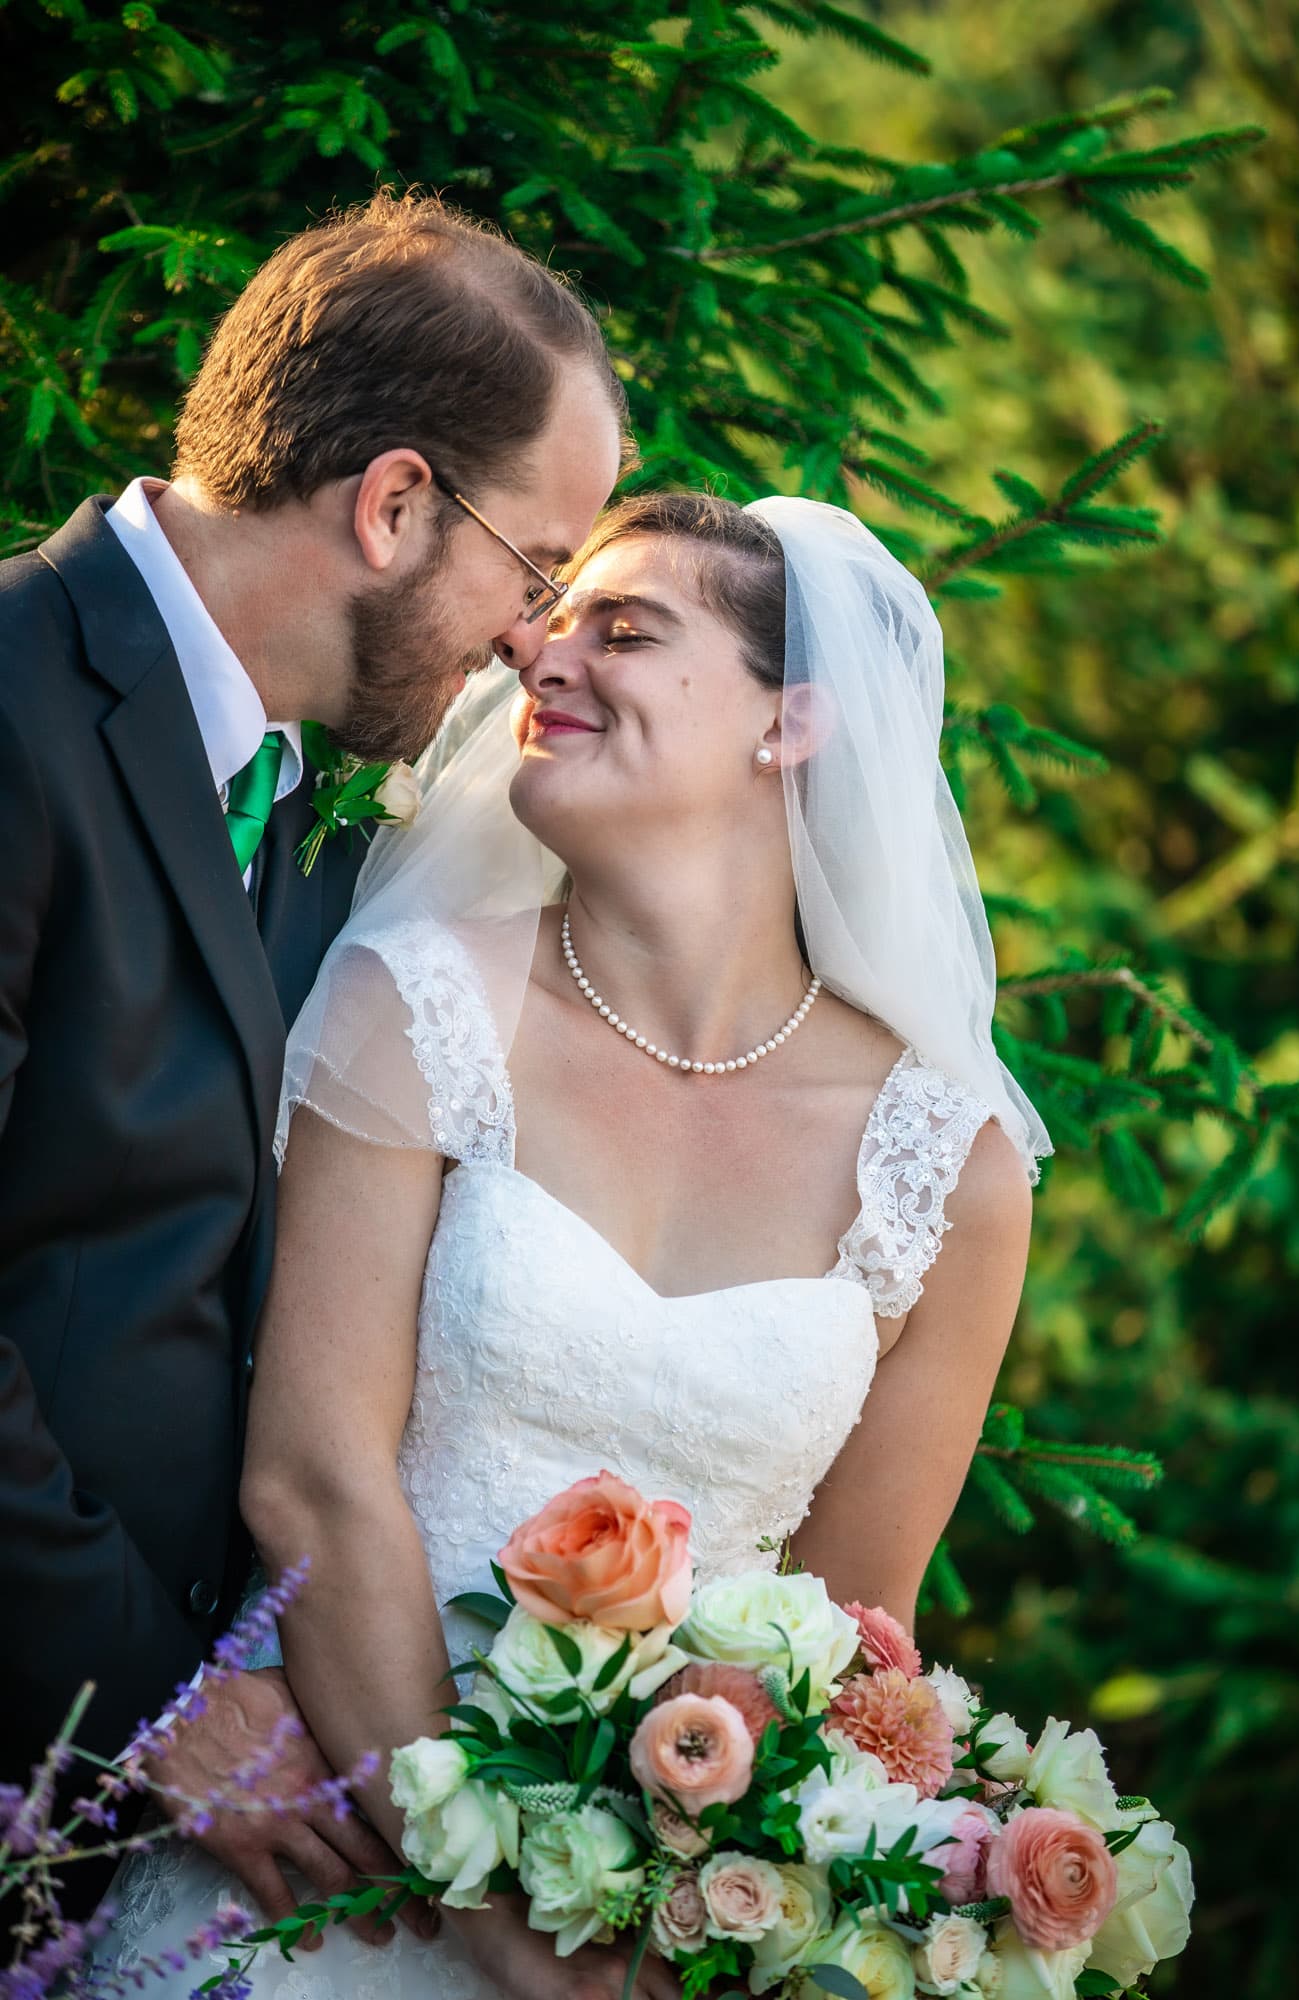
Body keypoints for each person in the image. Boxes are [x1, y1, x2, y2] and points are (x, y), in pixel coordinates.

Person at [95, 492, 1049, 1998]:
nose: (542, 650)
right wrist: (497, 1926)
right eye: (552, 616)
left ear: (788, 724)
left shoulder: (953, 1162)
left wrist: (780, 1914)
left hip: (665, 1925)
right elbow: (315, 1481)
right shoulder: (413, 1005)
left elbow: (866, 1632)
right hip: (337, 1854)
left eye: (626, 629)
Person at [0, 186, 626, 1931]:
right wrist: (151, 1697)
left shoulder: (280, 801)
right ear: (395, 502)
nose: (532, 637)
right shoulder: (5, 698)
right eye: (538, 567)